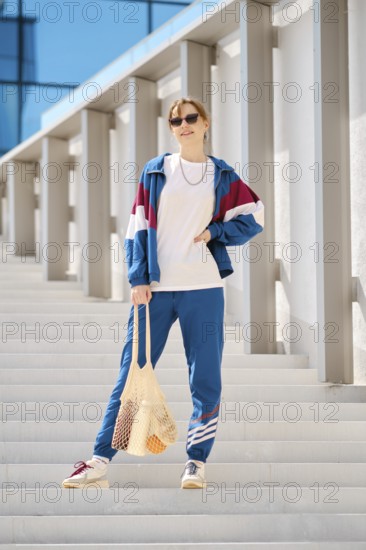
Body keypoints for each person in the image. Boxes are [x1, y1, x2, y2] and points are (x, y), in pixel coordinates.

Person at [62, 96, 265, 490]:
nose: (183, 125)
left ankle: (196, 462)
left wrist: (215, 232)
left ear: (205, 123)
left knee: (205, 378)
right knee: (131, 374)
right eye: (175, 121)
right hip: (154, 290)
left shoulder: (221, 175)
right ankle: (99, 459)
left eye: (191, 118)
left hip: (204, 288)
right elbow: (136, 229)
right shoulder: (157, 171)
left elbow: (254, 216)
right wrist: (138, 278)